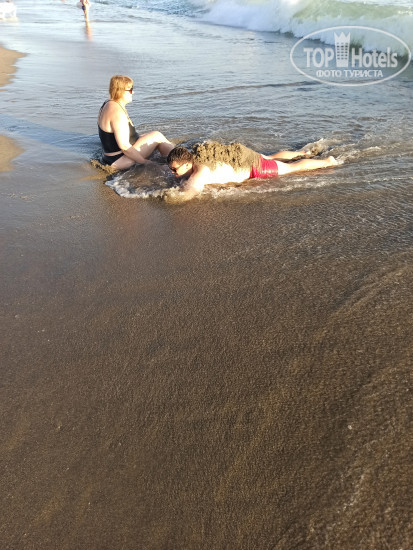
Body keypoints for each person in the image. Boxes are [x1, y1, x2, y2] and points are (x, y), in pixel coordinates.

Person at [167, 141, 338, 199]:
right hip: (244, 155)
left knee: (292, 168)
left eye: (175, 170)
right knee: (269, 157)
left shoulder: (200, 172)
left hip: (255, 168)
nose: (172, 173)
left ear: (187, 164)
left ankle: (327, 161)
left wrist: (161, 195)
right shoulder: (193, 158)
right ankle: (304, 152)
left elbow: (187, 194)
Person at [98, 75, 174, 169]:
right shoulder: (117, 112)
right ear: (120, 91)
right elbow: (124, 146)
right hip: (119, 160)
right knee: (157, 136)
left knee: (149, 136)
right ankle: (178, 162)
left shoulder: (108, 104)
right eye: (130, 90)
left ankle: (173, 154)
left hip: (109, 157)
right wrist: (145, 162)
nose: (133, 92)